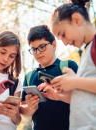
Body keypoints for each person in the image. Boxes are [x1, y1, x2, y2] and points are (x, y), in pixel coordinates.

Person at [40, 0, 96, 130]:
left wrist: (76, 82)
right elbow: (87, 98)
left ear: (76, 20)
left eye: (63, 34)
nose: (64, 43)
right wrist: (58, 96)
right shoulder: (88, 51)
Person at [20, 25, 78, 130]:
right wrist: (31, 107)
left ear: (54, 45)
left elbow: (84, 99)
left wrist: (60, 94)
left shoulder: (68, 67)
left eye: (42, 46)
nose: (38, 52)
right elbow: (24, 111)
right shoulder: (29, 76)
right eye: (34, 49)